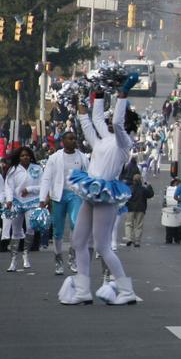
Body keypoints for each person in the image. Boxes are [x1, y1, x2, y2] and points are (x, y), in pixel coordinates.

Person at [59, 83, 142, 306]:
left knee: (103, 245)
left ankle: (125, 290)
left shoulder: (123, 143)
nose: (109, 122)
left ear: (126, 125)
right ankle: (83, 290)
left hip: (105, 194)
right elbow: (92, 122)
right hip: (91, 191)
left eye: (117, 121)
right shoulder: (104, 139)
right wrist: (96, 96)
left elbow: (114, 122)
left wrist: (123, 95)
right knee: (78, 242)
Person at [40, 130, 87, 276]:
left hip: (75, 195)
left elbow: (89, 176)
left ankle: (73, 258)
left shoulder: (82, 157)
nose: (74, 141)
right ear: (63, 141)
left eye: (75, 138)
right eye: (70, 138)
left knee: (75, 225)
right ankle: (58, 260)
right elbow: (47, 178)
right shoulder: (54, 158)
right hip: (58, 196)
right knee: (58, 230)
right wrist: (43, 198)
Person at [4, 147, 42, 272]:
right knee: (15, 231)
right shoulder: (13, 169)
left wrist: (29, 189)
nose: (24, 157)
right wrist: (9, 200)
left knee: (30, 228)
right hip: (16, 203)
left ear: (30, 156)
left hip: (32, 202)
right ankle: (13, 260)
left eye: (27, 155)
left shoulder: (37, 168)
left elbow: (43, 185)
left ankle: (26, 254)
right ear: (18, 158)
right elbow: (8, 186)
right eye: (22, 156)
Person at [123, 173, 154, 247]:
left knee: (128, 224)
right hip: (141, 208)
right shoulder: (143, 189)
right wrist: (149, 186)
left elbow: (125, 198)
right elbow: (150, 194)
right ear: (140, 180)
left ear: (133, 181)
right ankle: (137, 241)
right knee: (139, 225)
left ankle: (128, 239)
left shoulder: (130, 188)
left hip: (130, 208)